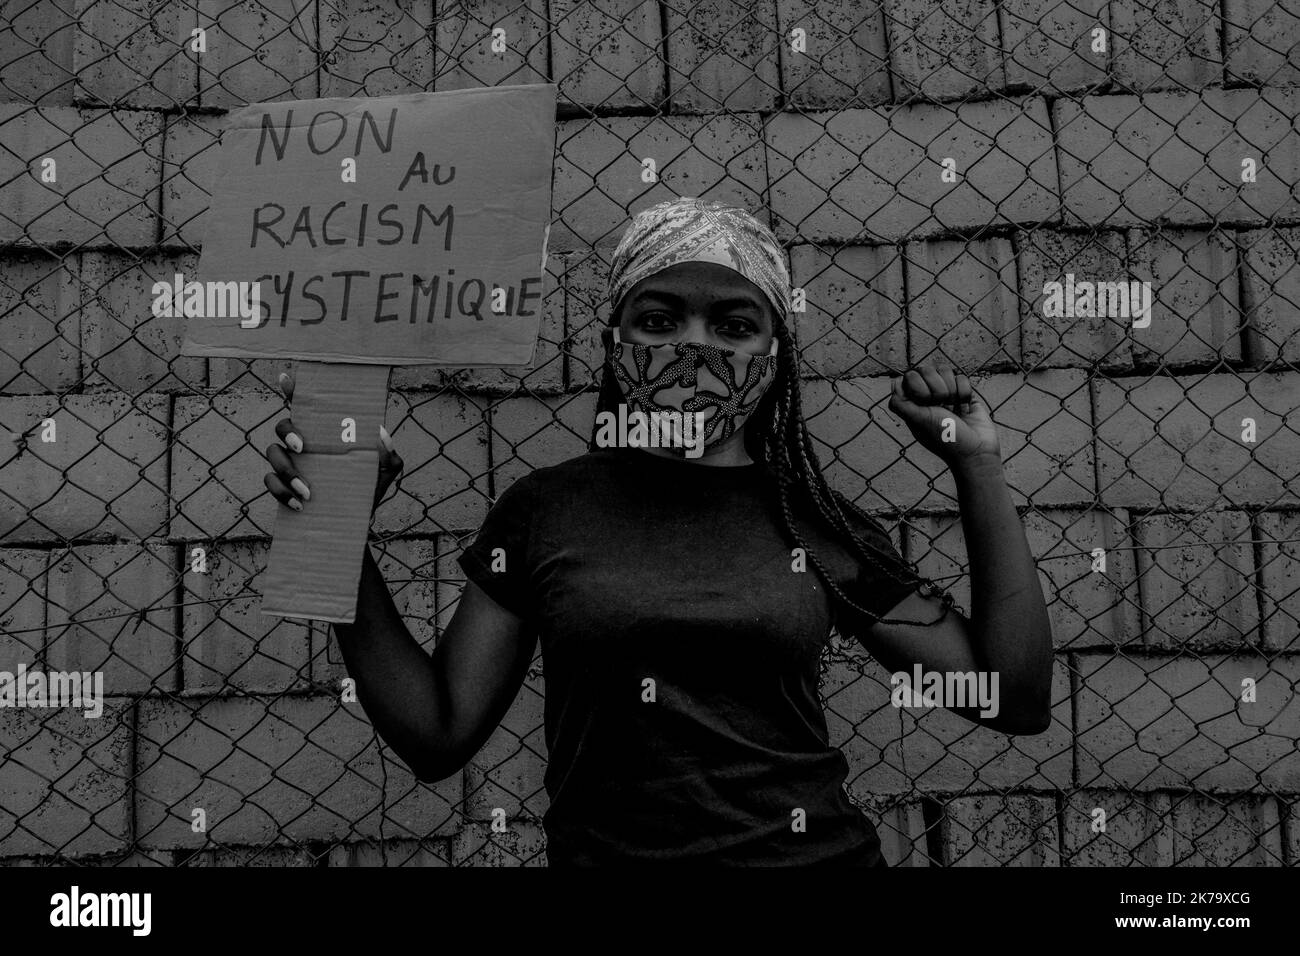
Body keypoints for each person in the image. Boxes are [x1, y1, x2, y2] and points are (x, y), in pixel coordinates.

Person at [263, 197, 1053, 866]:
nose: (694, 349)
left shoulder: (811, 519)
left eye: (734, 326)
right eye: (659, 319)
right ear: (615, 343)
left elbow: (1010, 699)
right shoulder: (547, 511)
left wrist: (977, 467)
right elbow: (436, 735)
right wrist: (335, 528)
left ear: (774, 359)